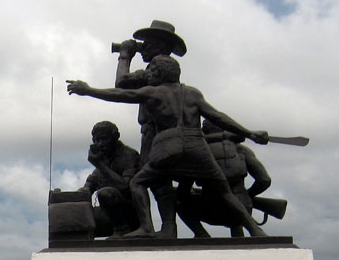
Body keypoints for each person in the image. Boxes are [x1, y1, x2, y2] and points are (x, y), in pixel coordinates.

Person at [66, 55, 270, 238]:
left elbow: (121, 94)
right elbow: (217, 116)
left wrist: (88, 90)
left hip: (168, 145)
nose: (148, 74)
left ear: (159, 73)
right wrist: (248, 133)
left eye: (151, 71)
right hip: (196, 144)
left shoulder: (152, 92)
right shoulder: (192, 93)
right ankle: (255, 229)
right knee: (224, 191)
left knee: (138, 182)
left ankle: (146, 228)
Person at [112, 20, 188, 236]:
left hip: (155, 134)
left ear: (163, 47)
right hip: (156, 133)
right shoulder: (163, 69)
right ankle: (168, 228)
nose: (143, 47)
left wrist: (125, 54)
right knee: (160, 183)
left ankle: (150, 228)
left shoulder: (157, 69)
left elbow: (122, 83)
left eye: (149, 44)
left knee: (149, 180)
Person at [176, 120, 273, 237]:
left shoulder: (198, 153)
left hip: (213, 210)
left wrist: (192, 191)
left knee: (177, 201)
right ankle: (241, 235)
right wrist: (249, 195)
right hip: (243, 209)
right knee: (236, 209)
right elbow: (264, 180)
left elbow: (183, 191)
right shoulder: (242, 150)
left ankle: (201, 234)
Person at [78, 121, 141, 238]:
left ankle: (122, 230)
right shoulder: (103, 158)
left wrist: (100, 165)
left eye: (103, 139)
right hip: (108, 214)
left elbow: (125, 188)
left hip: (130, 214)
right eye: (96, 140)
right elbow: (90, 184)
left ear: (115, 137)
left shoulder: (129, 155)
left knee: (105, 193)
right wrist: (81, 193)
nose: (100, 144)